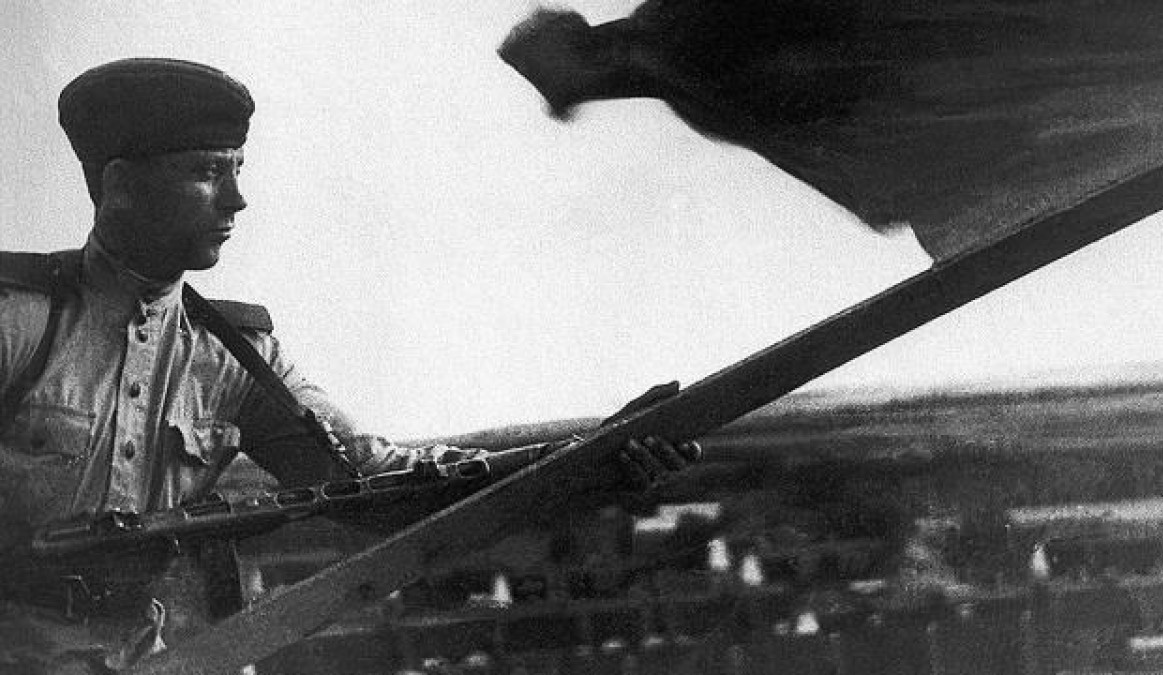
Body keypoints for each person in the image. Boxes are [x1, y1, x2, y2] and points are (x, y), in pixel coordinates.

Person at [0, 58, 700, 674]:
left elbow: (381, 485)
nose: (236, 198)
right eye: (207, 172)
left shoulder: (235, 355)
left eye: (238, 170)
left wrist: (592, 457)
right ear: (120, 184)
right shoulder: (19, 322)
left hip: (152, 656)